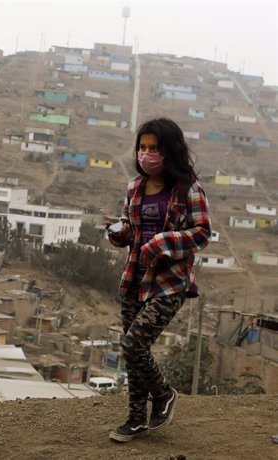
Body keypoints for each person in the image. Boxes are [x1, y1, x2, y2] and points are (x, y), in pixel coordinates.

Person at [106, 118, 211, 443]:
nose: (147, 154)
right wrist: (119, 233)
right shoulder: (134, 187)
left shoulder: (189, 189)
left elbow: (202, 233)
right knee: (134, 352)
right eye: (143, 147)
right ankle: (136, 419)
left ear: (169, 151)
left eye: (154, 148)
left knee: (134, 344)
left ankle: (164, 395)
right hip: (134, 279)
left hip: (169, 283)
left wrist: (163, 242)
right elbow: (131, 230)